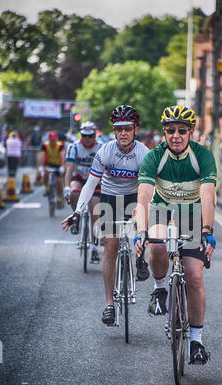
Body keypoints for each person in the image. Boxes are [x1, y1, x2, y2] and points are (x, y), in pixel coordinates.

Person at [134, 105, 217, 365]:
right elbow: (144, 196)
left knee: (193, 276)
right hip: (162, 211)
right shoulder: (153, 157)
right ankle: (160, 290)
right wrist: (140, 232)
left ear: (190, 132)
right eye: (171, 130)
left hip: (192, 216)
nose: (176, 135)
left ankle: (196, 341)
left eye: (182, 130)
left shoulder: (202, 156)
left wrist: (207, 231)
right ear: (165, 133)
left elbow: (207, 195)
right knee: (157, 246)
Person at [61, 105, 149, 325]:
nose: (123, 133)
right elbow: (90, 185)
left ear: (135, 129)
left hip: (135, 197)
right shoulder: (106, 151)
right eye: (119, 129)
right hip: (110, 198)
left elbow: (150, 189)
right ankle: (109, 304)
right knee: (110, 246)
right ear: (114, 130)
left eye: (128, 128)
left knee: (143, 228)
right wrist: (78, 211)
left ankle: (140, 259)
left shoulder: (144, 153)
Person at [64, 121, 103, 263]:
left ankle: (94, 248)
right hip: (79, 177)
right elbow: (69, 168)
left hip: (96, 181)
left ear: (95, 135)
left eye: (90, 136)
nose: (87, 139)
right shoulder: (74, 146)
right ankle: (76, 218)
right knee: (74, 191)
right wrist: (66, 187)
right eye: (84, 136)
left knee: (95, 214)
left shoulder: (101, 147)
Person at [40, 131, 65, 207]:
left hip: (58, 164)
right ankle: (47, 188)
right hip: (48, 163)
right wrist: (41, 166)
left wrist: (62, 166)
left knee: (59, 181)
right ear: (49, 140)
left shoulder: (60, 145)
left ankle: (59, 198)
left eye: (54, 141)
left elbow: (62, 156)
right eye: (51, 141)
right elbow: (42, 156)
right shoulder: (45, 145)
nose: (53, 143)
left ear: (56, 140)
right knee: (45, 173)